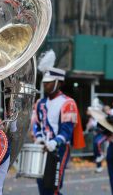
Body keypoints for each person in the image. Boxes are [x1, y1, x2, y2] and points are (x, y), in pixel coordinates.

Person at [33, 67, 85, 195]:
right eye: (44, 82)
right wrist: (38, 137)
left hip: (59, 149)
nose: (45, 84)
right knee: (41, 185)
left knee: (52, 186)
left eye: (49, 82)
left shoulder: (68, 102)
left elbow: (67, 130)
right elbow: (37, 124)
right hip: (42, 148)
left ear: (59, 83)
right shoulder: (40, 103)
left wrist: (54, 143)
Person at [86, 98, 108, 173]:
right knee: (95, 150)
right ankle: (99, 167)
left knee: (97, 143)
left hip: (104, 134)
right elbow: (88, 128)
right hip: (96, 134)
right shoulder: (92, 118)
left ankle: (101, 155)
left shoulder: (104, 116)